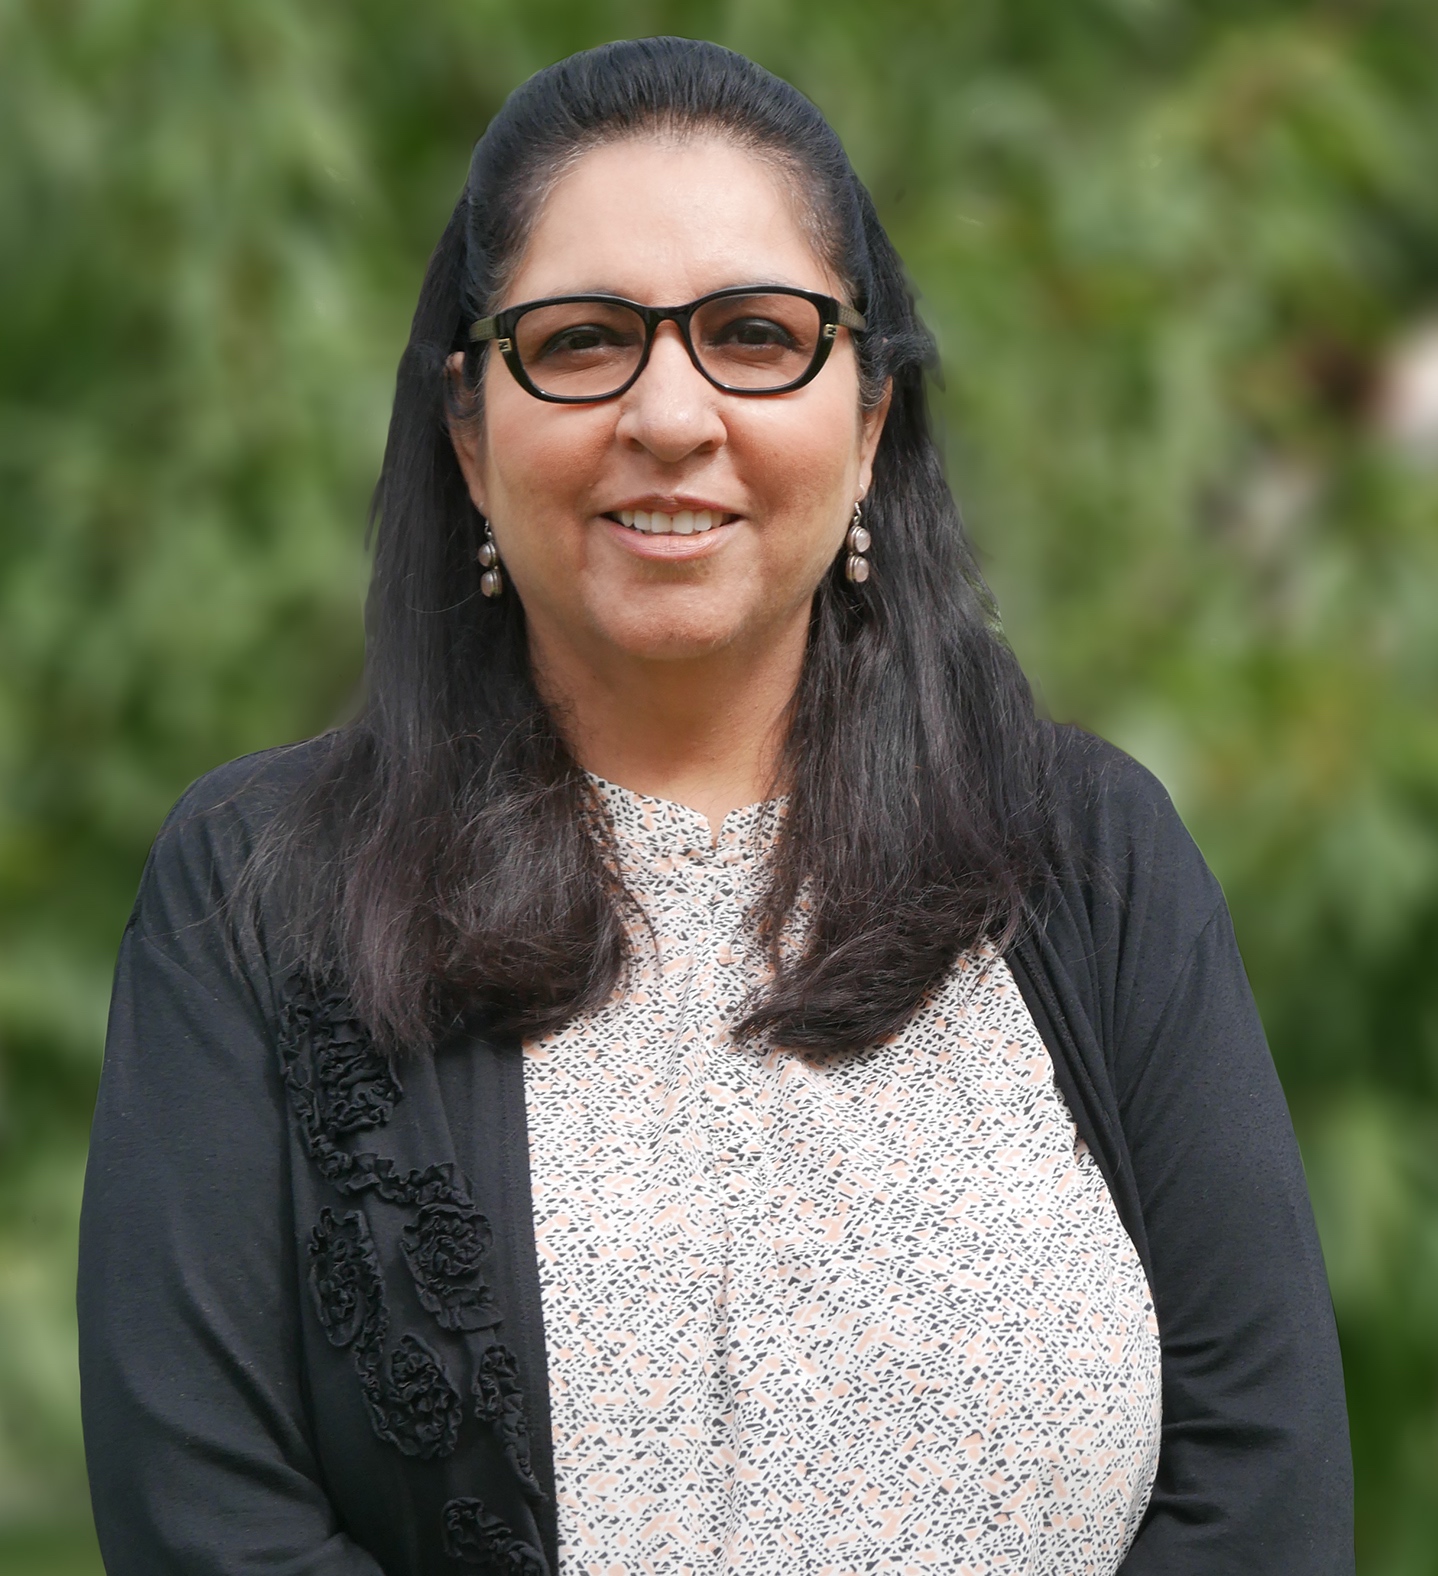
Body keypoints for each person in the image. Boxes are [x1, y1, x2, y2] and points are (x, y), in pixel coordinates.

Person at [78, 36, 1353, 1576]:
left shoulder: (1083, 860)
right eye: (583, 338)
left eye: (754, 336)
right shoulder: (263, 890)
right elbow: (211, 1522)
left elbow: (1261, 1487)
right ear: (469, 434)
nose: (671, 414)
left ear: (869, 423)